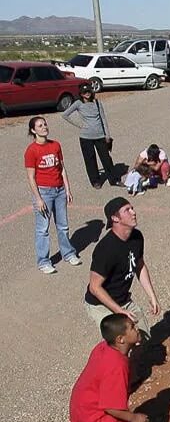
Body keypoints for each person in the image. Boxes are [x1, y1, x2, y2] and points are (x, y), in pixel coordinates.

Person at [85, 197, 160, 332]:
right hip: (100, 304)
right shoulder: (106, 249)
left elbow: (140, 265)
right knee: (122, 339)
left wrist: (152, 296)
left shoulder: (137, 237)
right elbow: (94, 287)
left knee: (143, 336)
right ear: (115, 218)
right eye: (127, 210)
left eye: (132, 208)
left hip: (123, 299)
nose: (133, 212)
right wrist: (119, 311)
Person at [24, 116, 82, 274]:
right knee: (42, 229)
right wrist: (38, 198)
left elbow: (62, 168)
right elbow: (31, 177)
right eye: (40, 126)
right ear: (33, 130)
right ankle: (44, 261)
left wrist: (68, 189)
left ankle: (68, 253)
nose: (44, 127)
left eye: (45, 124)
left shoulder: (56, 145)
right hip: (44, 192)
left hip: (59, 191)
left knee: (63, 225)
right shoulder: (31, 150)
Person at [62, 83, 119, 188]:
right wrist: (80, 125)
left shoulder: (97, 103)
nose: (87, 94)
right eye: (84, 92)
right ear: (81, 94)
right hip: (86, 137)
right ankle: (95, 181)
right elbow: (65, 115)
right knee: (90, 160)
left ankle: (114, 179)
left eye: (88, 91)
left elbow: (103, 119)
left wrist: (107, 135)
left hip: (100, 135)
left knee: (106, 158)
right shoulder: (78, 103)